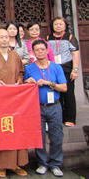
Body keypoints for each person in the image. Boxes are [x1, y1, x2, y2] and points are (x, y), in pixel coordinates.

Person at [0, 29, 28, 178]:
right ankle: (1, 165)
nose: (4, 39)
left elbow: (21, 72)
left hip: (15, 100)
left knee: (16, 130)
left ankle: (16, 164)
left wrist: (19, 81)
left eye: (6, 37)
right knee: (2, 130)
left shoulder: (15, 55)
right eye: (1, 37)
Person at [24, 40, 67, 177]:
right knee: (39, 137)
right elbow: (24, 86)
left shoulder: (56, 67)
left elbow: (64, 88)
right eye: (37, 50)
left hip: (54, 106)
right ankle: (42, 163)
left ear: (47, 51)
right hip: (37, 107)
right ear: (34, 52)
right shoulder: (30, 68)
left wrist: (49, 83)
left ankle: (55, 164)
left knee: (56, 136)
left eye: (42, 49)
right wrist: (28, 82)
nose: (40, 52)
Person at [47, 17, 80, 127]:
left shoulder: (69, 37)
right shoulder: (49, 37)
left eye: (61, 24)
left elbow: (75, 53)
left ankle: (70, 118)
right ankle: (59, 118)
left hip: (66, 68)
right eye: (56, 24)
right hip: (54, 69)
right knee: (57, 93)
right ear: (52, 26)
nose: (58, 26)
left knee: (69, 94)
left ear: (65, 25)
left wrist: (75, 70)